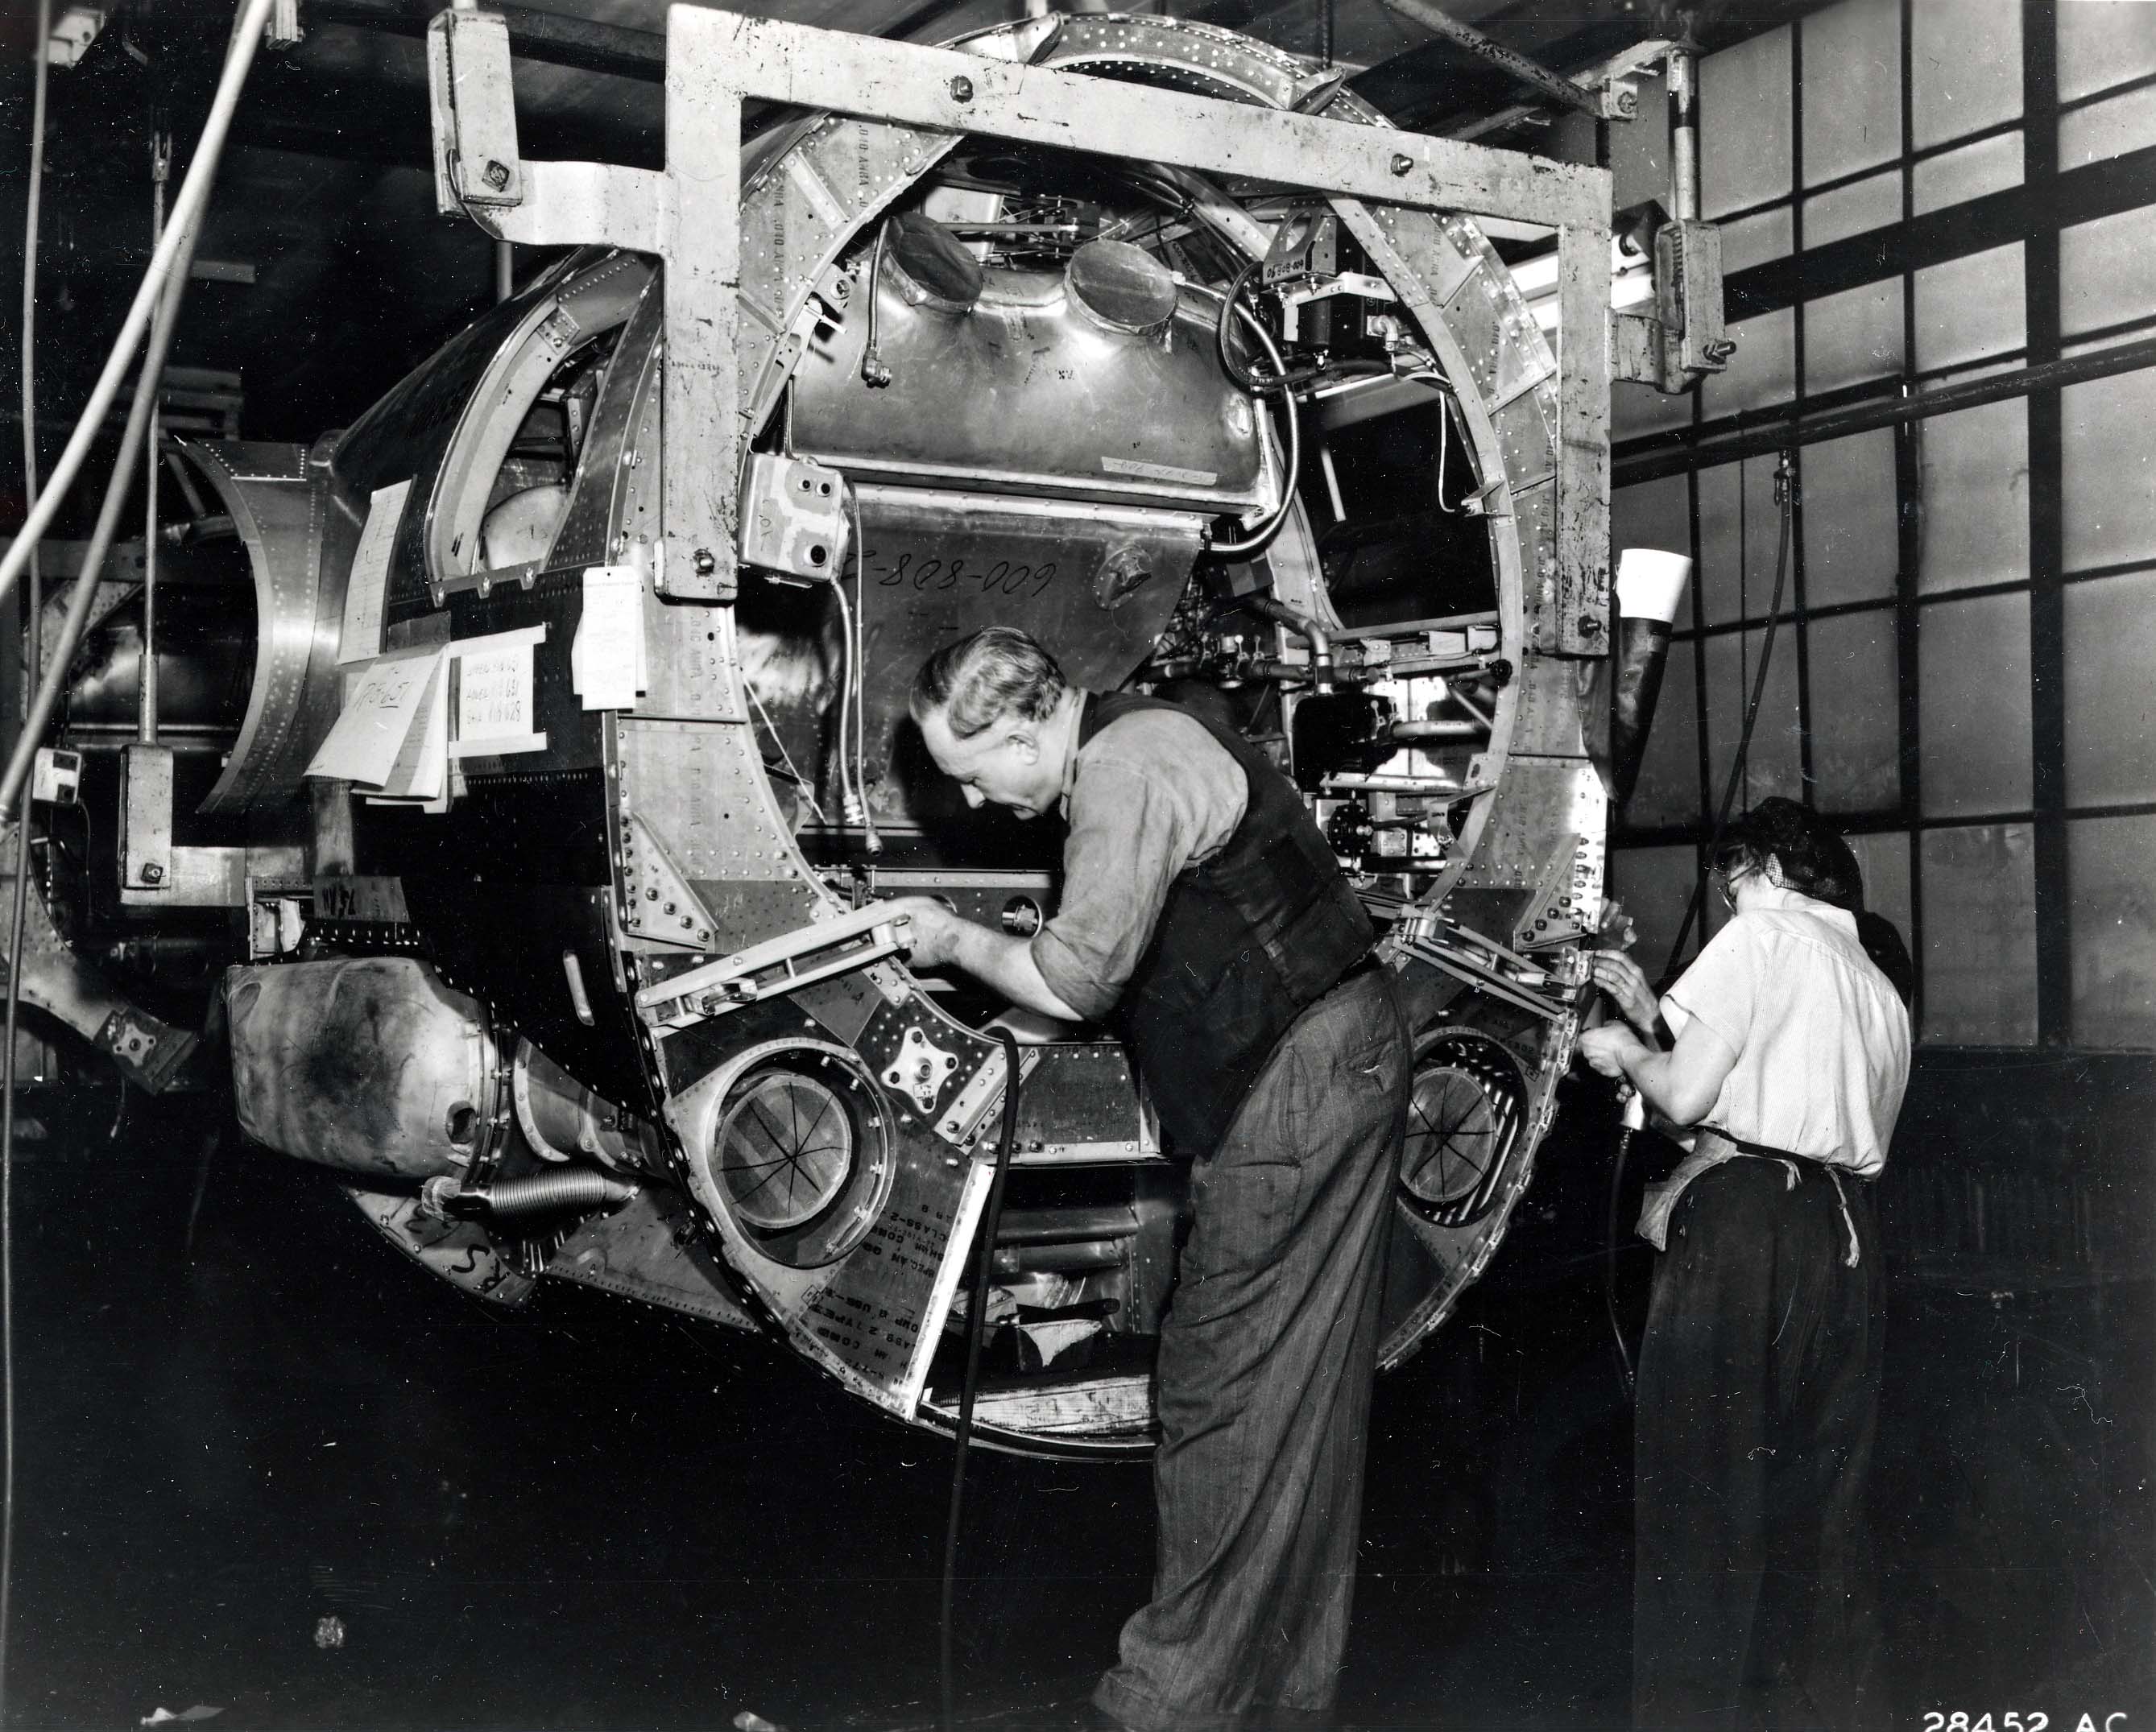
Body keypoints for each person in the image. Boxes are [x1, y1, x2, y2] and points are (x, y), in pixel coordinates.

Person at [884, 626, 1409, 1732]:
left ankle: (1164, 1705)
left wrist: (952, 939)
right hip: (1346, 1044)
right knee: (1303, 1400)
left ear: (1027, 727)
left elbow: (1074, 979)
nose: (978, 803)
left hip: (1296, 1080)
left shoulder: (1118, 767)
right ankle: (1277, 1695)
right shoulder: (1154, 727)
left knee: (1218, 1389)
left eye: (977, 774)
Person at [1578, 797, 1912, 1732]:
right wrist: (1656, 1018)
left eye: (1731, 887)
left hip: (1746, 1229)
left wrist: (1622, 1048)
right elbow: (1768, 1095)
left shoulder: (1762, 935)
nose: (1728, 909)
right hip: (1845, 1238)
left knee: (1700, 1500)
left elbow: (1684, 1097)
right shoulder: (1869, 975)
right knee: (1823, 1516)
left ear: (1763, 869)